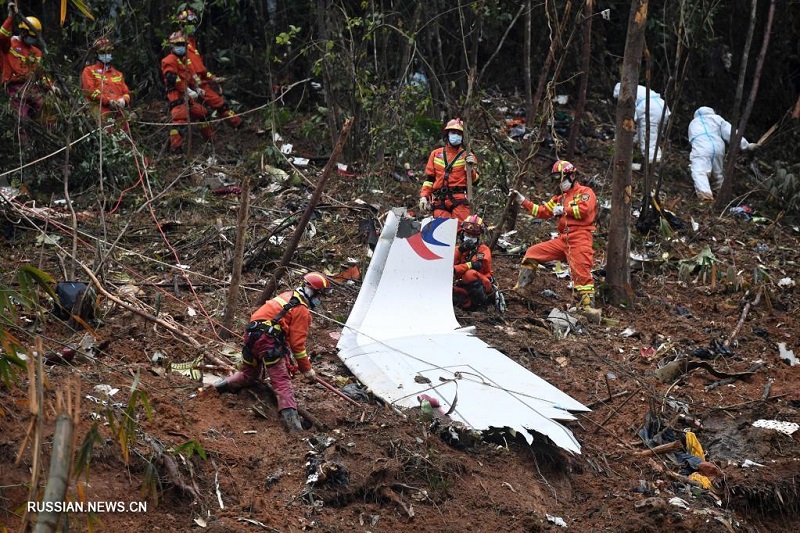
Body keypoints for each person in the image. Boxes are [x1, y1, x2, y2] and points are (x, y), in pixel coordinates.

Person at [213, 272, 332, 432]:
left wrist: (287, 359)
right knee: (282, 382)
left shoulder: (286, 296)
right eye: (320, 296)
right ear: (314, 292)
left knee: (248, 375)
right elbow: (298, 345)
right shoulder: (302, 310)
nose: (319, 300)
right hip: (267, 341)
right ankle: (295, 430)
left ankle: (215, 389)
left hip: (251, 336)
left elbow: (284, 335)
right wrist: (307, 369)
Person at [510, 160, 600, 321]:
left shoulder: (586, 192)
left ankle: (587, 308)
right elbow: (542, 212)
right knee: (532, 253)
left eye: (562, 178)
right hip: (562, 239)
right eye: (557, 179)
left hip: (580, 237)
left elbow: (585, 211)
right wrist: (522, 200)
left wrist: (565, 210)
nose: (560, 183)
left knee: (581, 273)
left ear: (572, 176)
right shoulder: (559, 198)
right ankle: (521, 288)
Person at [175, 8, 242, 128]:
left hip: (200, 84)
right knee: (219, 105)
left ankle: (210, 138)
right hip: (193, 86)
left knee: (202, 115)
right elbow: (184, 69)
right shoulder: (180, 44)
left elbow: (201, 69)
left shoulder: (192, 43)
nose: (192, 27)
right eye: (189, 24)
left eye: (193, 24)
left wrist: (214, 78)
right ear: (181, 25)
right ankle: (238, 124)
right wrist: (193, 86)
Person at [160, 30, 215, 152]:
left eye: (182, 44)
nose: (180, 47)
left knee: (203, 113)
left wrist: (197, 88)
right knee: (180, 120)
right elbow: (173, 78)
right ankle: (177, 150)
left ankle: (210, 142)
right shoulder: (169, 60)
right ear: (172, 46)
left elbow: (190, 77)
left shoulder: (185, 60)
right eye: (178, 45)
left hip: (187, 96)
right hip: (176, 95)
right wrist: (188, 91)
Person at [687, 106, 757, 201]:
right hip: (718, 146)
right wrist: (746, 145)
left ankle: (706, 196)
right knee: (718, 173)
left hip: (701, 147)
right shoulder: (717, 119)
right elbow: (731, 133)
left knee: (699, 171)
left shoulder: (693, 123)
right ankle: (722, 194)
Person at [418, 118, 479, 221]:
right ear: (447, 134)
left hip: (459, 200)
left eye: (459, 134)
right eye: (453, 132)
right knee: (441, 232)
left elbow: (475, 181)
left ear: (463, 137)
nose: (456, 135)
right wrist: (424, 196)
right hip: (439, 201)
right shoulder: (436, 154)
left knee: (461, 230)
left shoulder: (468, 156)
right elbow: (429, 179)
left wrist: (470, 168)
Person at [0, 5, 53, 122]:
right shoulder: (10, 44)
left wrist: (51, 86)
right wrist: (10, 17)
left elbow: (41, 73)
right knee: (22, 120)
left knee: (45, 113)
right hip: (14, 87)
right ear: (23, 32)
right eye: (31, 36)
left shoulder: (36, 52)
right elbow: (2, 36)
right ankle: (24, 139)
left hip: (32, 88)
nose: (32, 40)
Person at [613, 83, 671, 164]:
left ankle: (652, 160)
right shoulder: (638, 88)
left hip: (650, 108)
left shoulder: (627, 93)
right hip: (662, 106)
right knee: (655, 135)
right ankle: (656, 156)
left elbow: (631, 117)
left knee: (647, 137)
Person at [81, 37, 131, 131]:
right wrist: (107, 101)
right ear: (96, 54)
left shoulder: (117, 74)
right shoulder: (89, 71)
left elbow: (126, 92)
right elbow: (90, 91)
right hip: (100, 112)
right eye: (103, 53)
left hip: (119, 113)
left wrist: (123, 100)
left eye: (109, 52)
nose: (106, 55)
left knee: (124, 139)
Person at [453, 214, 496, 311]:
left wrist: (456, 269)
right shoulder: (458, 249)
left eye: (473, 236)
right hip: (461, 284)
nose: (469, 237)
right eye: (467, 234)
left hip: (482, 283)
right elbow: (449, 264)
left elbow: (476, 265)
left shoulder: (483, 250)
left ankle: (482, 306)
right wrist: (460, 250)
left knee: (470, 274)